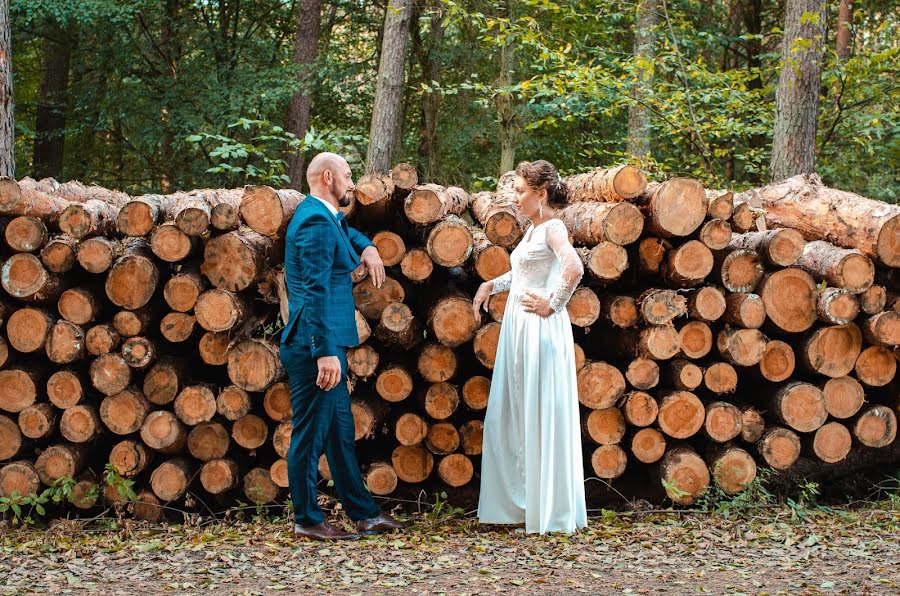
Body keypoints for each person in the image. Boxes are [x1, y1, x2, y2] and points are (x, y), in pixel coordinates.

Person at [281, 152, 409, 540]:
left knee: (338, 433)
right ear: (326, 177)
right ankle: (306, 519)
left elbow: (345, 231)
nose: (352, 183)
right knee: (310, 434)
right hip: (314, 343)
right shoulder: (315, 222)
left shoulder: (323, 216)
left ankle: (365, 514)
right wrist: (323, 352)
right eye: (348, 176)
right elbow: (316, 291)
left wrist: (367, 246)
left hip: (325, 340)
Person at [473, 159, 588, 534]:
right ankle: (519, 504)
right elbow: (524, 274)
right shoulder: (533, 230)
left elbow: (574, 268)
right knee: (514, 412)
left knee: (538, 410)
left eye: (521, 191)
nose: (515, 197)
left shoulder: (552, 227)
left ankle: (550, 510)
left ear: (541, 194)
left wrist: (552, 303)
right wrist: (493, 284)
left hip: (540, 329)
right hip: (519, 327)